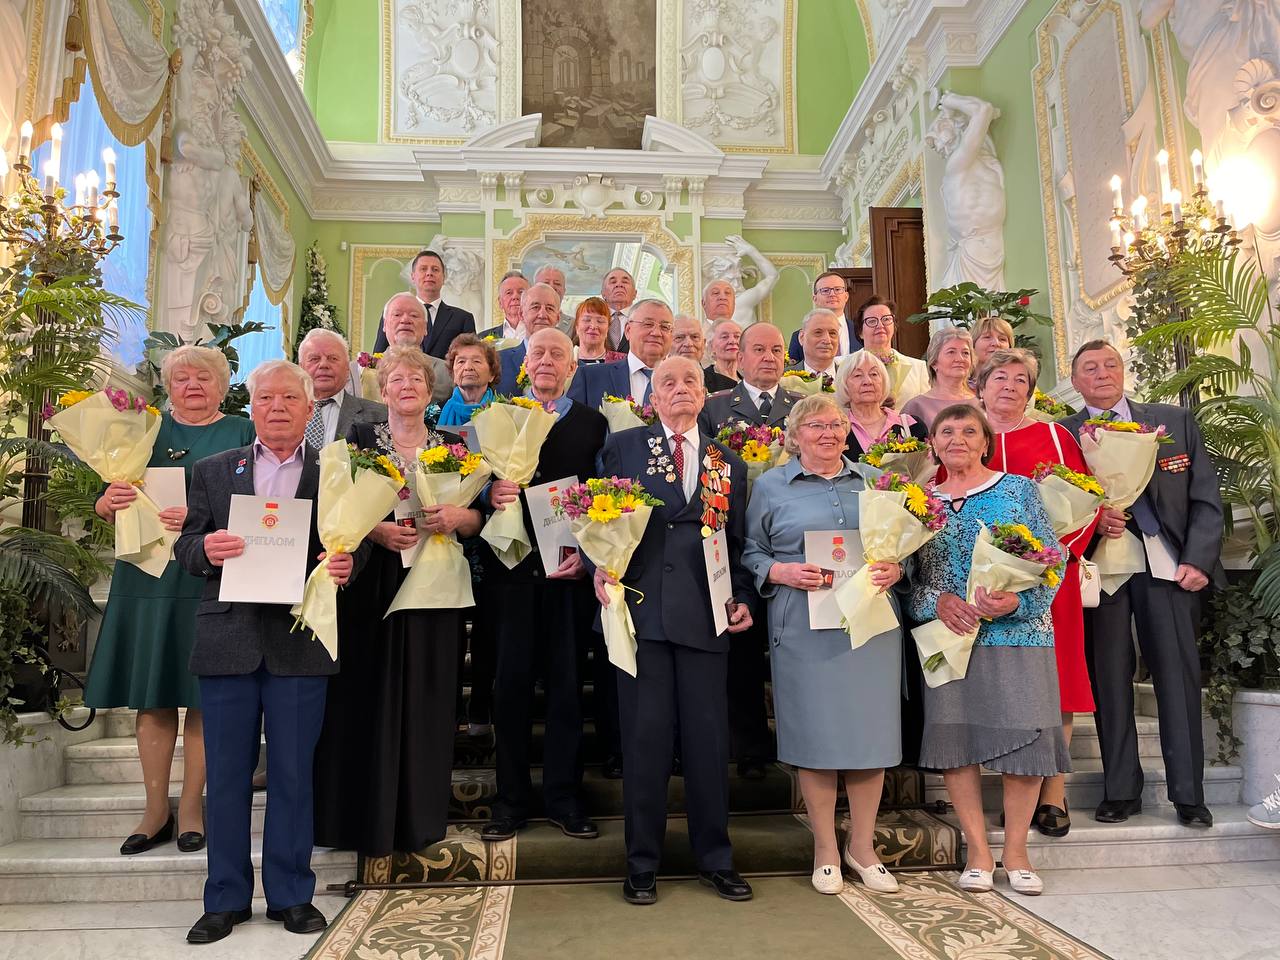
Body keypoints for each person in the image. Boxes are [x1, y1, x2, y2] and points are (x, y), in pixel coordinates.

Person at [176, 360, 364, 944]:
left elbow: (347, 551)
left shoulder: (336, 474)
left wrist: (345, 567)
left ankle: (291, 895)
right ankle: (224, 899)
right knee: (226, 777)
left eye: (289, 397)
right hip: (228, 639)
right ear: (250, 406)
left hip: (301, 642)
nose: (277, 406)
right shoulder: (210, 470)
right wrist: (205, 547)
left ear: (310, 409)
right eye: (265, 397)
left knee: (291, 776)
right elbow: (185, 547)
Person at [595, 356, 756, 905]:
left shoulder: (725, 460)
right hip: (644, 616)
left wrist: (744, 598)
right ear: (653, 398)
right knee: (645, 745)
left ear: (705, 394)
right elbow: (601, 519)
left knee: (709, 744)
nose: (681, 389)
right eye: (669, 382)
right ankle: (641, 862)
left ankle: (716, 858)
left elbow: (738, 544)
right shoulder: (626, 447)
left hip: (708, 617)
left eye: (691, 381)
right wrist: (601, 566)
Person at [86, 345, 254, 858]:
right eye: (182, 378)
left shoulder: (242, 432)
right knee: (153, 692)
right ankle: (153, 808)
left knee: (204, 695)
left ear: (223, 386)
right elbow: (109, 502)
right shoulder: (142, 429)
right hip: (148, 577)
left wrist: (205, 519)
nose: (193, 385)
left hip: (210, 574)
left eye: (204, 377)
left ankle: (192, 808)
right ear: (168, 385)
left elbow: (262, 503)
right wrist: (106, 501)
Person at [313, 345, 480, 858]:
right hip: (371, 584)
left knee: (429, 698)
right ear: (381, 390)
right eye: (396, 379)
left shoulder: (455, 446)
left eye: (417, 379)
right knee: (366, 695)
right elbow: (335, 510)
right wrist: (376, 530)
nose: (407, 386)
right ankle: (360, 821)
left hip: (434, 586)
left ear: (431, 393)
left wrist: (458, 519)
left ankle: (419, 818)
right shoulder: (356, 441)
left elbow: (479, 523)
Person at [743, 394, 905, 895]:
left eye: (836, 424)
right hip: (802, 624)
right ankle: (825, 849)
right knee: (816, 736)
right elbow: (749, 549)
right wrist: (778, 569)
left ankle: (862, 846)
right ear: (794, 435)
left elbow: (903, 544)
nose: (828, 433)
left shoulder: (876, 481)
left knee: (868, 735)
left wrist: (898, 567)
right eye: (815, 425)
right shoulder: (769, 486)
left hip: (871, 624)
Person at [908, 403, 1069, 896]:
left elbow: (1051, 563)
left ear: (985, 441)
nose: (957, 438)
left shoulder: (1018, 489)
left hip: (1018, 636)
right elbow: (908, 583)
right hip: (949, 638)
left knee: (1024, 741)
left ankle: (1017, 852)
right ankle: (978, 851)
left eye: (968, 430)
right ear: (933, 443)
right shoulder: (918, 503)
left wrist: (1017, 600)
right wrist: (938, 601)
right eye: (946, 430)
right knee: (958, 742)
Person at [1061, 339, 1223, 828]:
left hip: (1167, 567)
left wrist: (1198, 559)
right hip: (1102, 574)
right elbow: (1056, 505)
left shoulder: (1173, 423)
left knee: (1177, 677)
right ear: (1076, 381)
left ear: (1122, 369)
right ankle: (1121, 790)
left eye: (1110, 364)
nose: (1103, 373)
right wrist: (1095, 523)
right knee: (1110, 681)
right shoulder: (1063, 434)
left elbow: (1206, 497)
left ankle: (1190, 795)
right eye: (1090, 368)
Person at [481, 329, 609, 842]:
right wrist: (490, 492)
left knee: (565, 692)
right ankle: (509, 800)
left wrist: (591, 553)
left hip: (568, 576)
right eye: (539, 354)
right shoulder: (499, 421)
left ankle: (564, 796)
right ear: (524, 364)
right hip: (511, 576)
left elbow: (605, 498)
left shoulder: (594, 424)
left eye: (559, 354)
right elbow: (471, 491)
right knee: (508, 689)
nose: (548, 362)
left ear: (573, 367)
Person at [976, 348, 1098, 837]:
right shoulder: (964, 430)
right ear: (980, 385)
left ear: (1031, 391)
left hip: (1049, 582)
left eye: (1020, 380)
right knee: (1000, 681)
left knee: (1055, 681)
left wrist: (1045, 560)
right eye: (999, 377)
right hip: (981, 583)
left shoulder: (1054, 435)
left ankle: (1053, 791)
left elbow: (1084, 500)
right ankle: (1011, 784)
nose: (1009, 386)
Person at [699, 321, 795, 778]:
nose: (769, 357)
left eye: (777, 349)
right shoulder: (716, 407)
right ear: (739, 356)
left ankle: (797, 741)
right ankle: (749, 746)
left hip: (788, 546)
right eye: (759, 349)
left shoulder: (800, 407)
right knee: (740, 647)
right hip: (731, 541)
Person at [567, 298, 674, 410]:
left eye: (665, 327)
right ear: (628, 330)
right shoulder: (590, 377)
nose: (656, 333)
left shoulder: (686, 383)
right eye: (648, 324)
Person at [352, 293, 452, 406]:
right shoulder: (354, 372)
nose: (405, 320)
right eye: (397, 315)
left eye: (414, 316)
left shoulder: (447, 372)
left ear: (425, 328)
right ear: (384, 325)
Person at [372, 249, 476, 358]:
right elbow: (379, 356)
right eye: (423, 269)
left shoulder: (462, 318)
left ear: (444, 277)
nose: (429, 273)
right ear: (413, 276)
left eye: (435, 270)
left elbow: (470, 357)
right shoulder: (392, 313)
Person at [298, 328, 386, 447]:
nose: (324, 364)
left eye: (333, 358)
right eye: (314, 359)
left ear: (347, 367)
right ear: (301, 368)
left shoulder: (381, 415)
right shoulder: (281, 413)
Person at [835, 350, 927, 460]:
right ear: (844, 384)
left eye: (874, 374)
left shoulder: (912, 426)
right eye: (858, 375)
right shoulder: (836, 431)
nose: (868, 381)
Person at [855, 296, 929, 410]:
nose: (880, 325)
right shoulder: (842, 365)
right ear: (860, 331)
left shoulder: (918, 368)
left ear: (894, 326)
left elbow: (924, 410)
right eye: (872, 321)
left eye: (886, 319)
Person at [900, 327, 980, 429]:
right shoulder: (916, 407)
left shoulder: (980, 404)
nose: (960, 359)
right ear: (934, 363)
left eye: (965, 353)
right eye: (951, 352)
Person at [497, 282, 563, 393]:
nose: (542, 315)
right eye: (535, 307)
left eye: (550, 309)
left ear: (558, 318)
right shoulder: (499, 362)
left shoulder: (573, 365)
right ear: (521, 314)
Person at [787, 271, 861, 361]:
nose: (832, 294)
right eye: (825, 290)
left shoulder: (861, 331)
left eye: (837, 289)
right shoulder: (799, 337)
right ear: (815, 299)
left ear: (846, 296)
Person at [438, 333, 499, 426]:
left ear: (492, 374)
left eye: (476, 361)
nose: (468, 367)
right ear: (453, 373)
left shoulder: (505, 412)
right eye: (461, 361)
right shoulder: (436, 413)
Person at [789, 308, 841, 381]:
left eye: (832, 333)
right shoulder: (783, 379)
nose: (827, 340)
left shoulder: (851, 377)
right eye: (818, 332)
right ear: (801, 337)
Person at [571, 296, 625, 366]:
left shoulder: (622, 362)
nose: (593, 326)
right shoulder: (564, 360)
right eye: (587, 320)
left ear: (608, 328)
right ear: (577, 326)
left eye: (600, 321)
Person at [478, 271, 529, 340]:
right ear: (500, 302)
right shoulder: (482, 338)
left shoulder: (544, 334)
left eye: (521, 292)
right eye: (509, 293)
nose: (515, 297)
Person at [601, 267, 637, 351]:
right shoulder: (592, 320)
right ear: (603, 294)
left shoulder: (643, 320)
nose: (619, 285)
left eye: (625, 282)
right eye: (613, 282)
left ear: (635, 294)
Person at [533, 264, 575, 334]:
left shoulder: (574, 324)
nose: (552, 287)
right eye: (546, 283)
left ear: (564, 290)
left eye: (557, 284)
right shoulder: (525, 321)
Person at [705, 318, 741, 393]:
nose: (732, 341)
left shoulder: (749, 381)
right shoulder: (703, 380)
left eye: (737, 336)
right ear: (711, 346)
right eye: (724, 337)